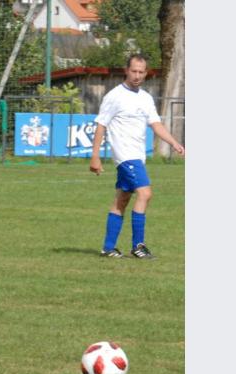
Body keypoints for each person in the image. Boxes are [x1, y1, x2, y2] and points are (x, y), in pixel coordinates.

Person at [90, 54, 185, 259]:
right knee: (145, 194)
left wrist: (173, 142)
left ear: (145, 73)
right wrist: (95, 156)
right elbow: (101, 125)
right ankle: (138, 246)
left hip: (137, 156)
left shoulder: (145, 98)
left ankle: (108, 248)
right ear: (126, 70)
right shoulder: (114, 96)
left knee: (122, 199)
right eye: (134, 71)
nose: (137, 75)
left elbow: (155, 124)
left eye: (141, 72)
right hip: (126, 156)